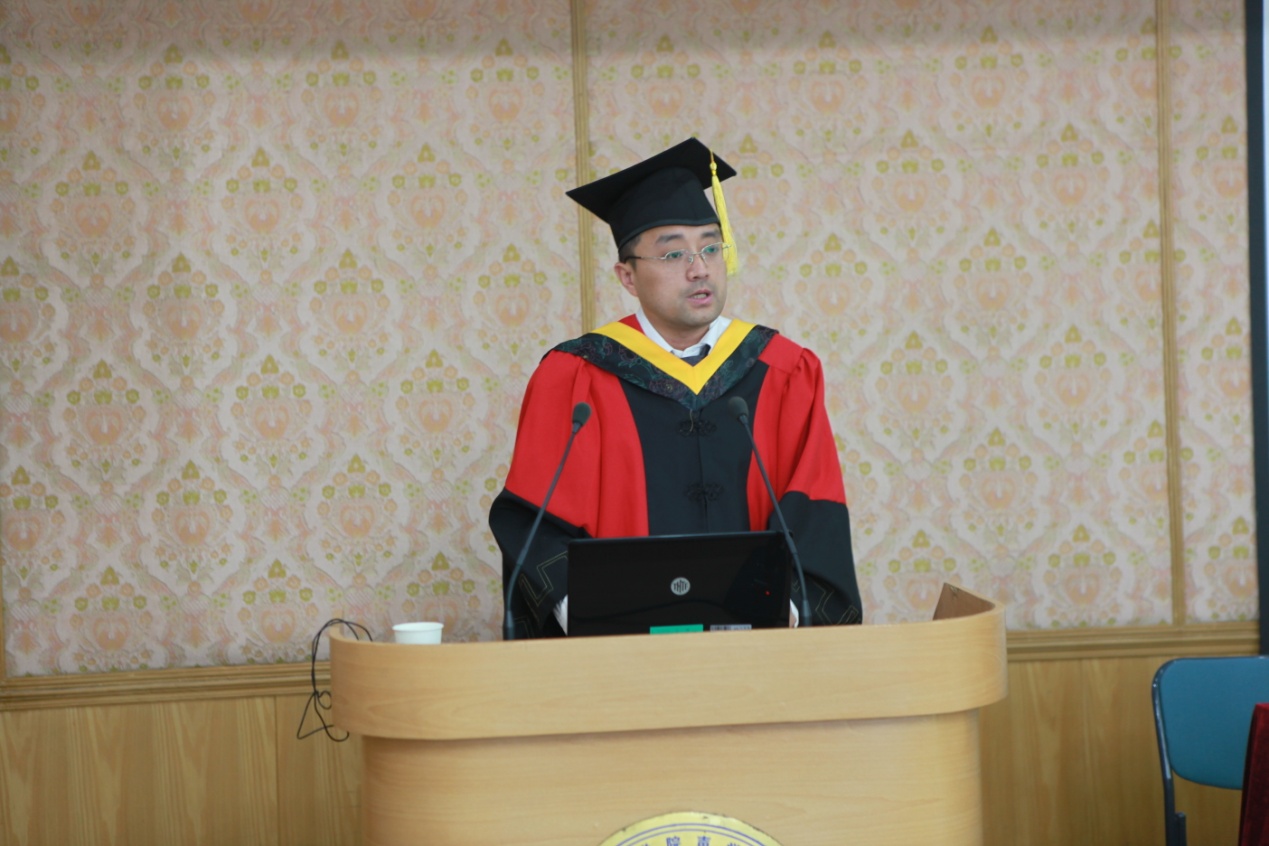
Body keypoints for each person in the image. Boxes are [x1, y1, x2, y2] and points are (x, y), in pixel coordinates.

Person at [489, 137, 861, 638]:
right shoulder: (576, 375)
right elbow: (535, 519)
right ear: (627, 276)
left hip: (756, 653)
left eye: (710, 247)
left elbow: (815, 509)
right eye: (673, 253)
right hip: (620, 654)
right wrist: (596, 616)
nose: (699, 267)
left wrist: (781, 613)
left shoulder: (784, 370)